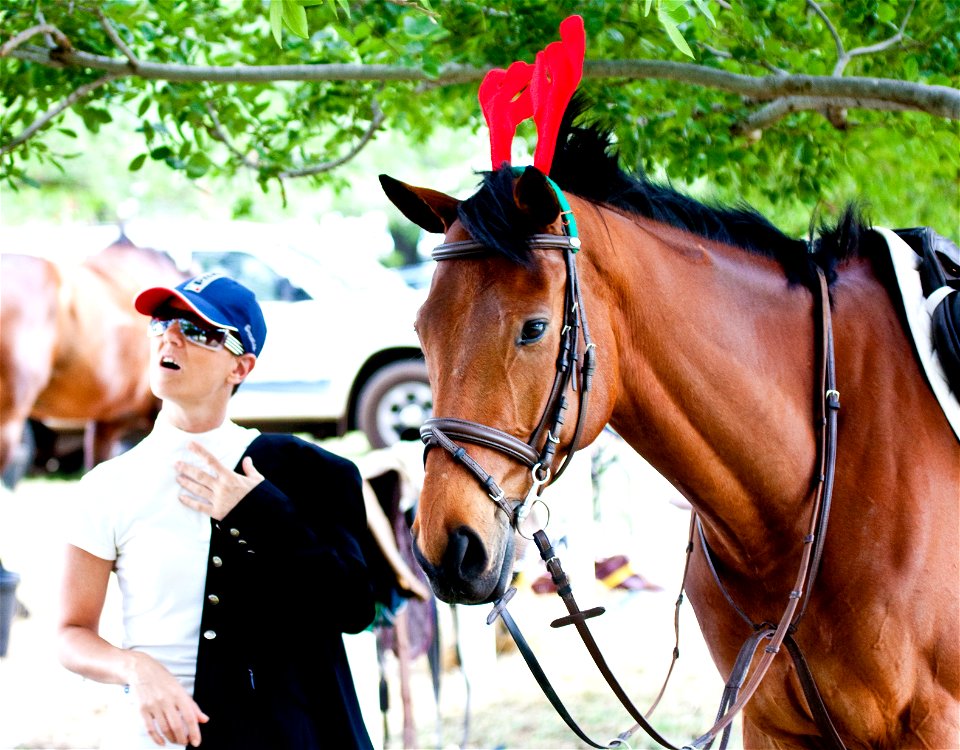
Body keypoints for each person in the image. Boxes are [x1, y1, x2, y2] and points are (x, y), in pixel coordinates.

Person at [56, 272, 377, 749]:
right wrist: (135, 668)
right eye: (163, 322)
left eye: (199, 330)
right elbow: (70, 632)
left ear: (240, 368)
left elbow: (353, 609)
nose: (171, 336)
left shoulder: (312, 472)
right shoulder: (106, 487)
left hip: (286, 736)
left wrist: (257, 511)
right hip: (161, 737)